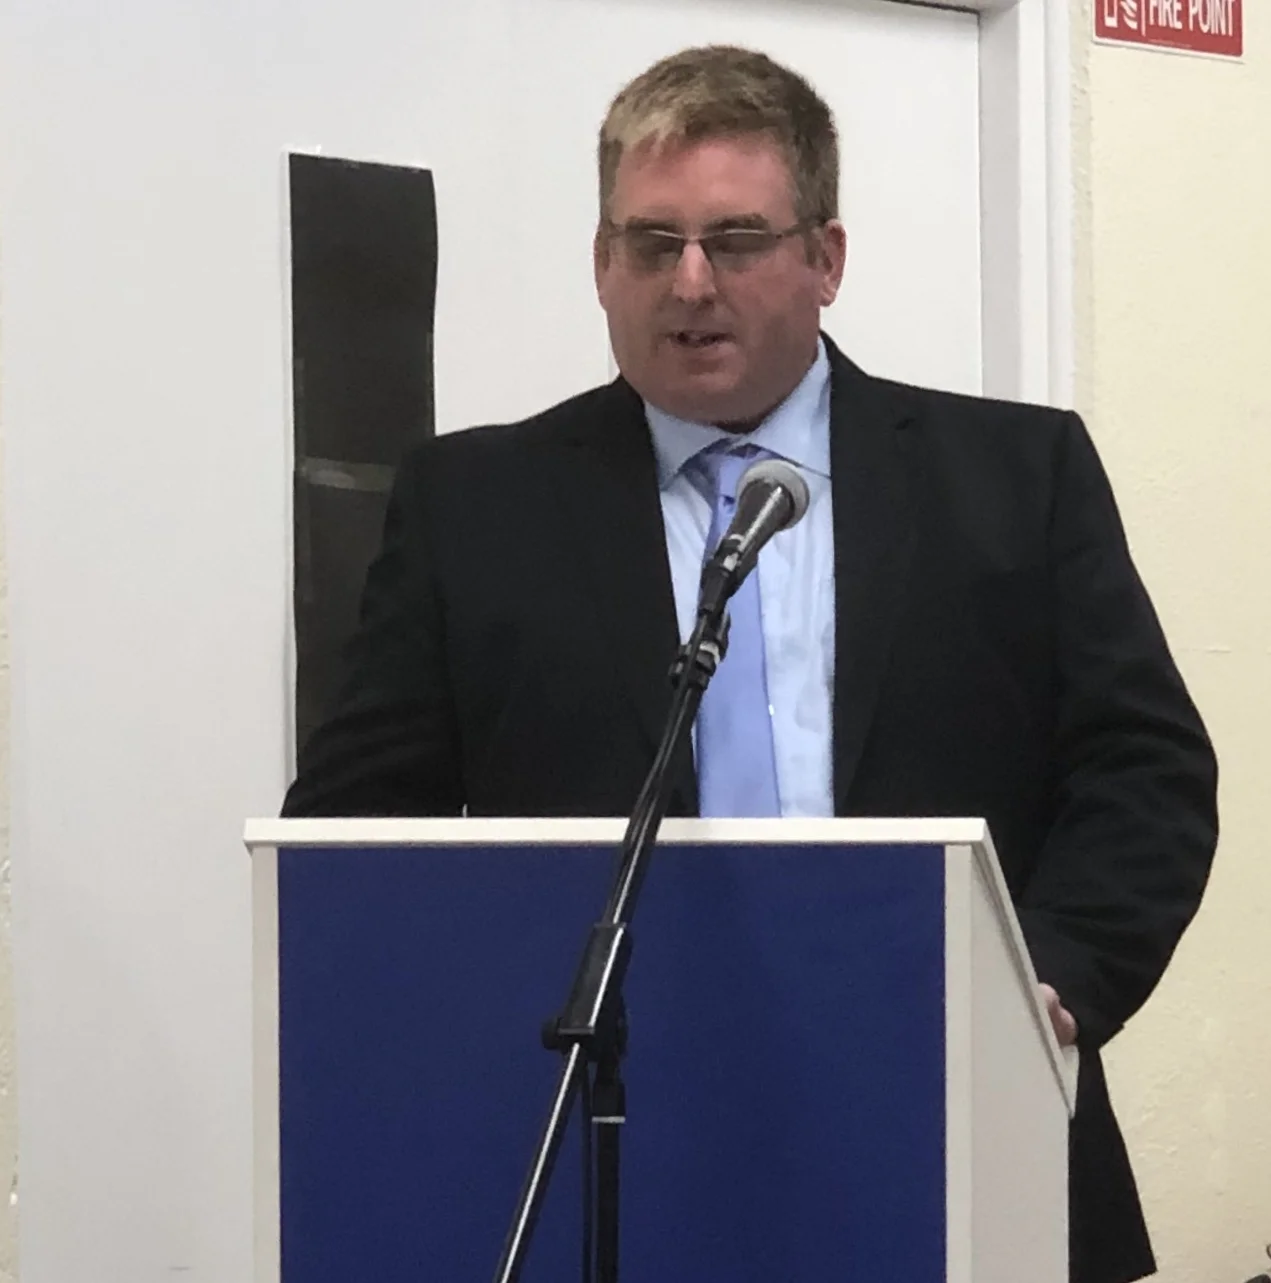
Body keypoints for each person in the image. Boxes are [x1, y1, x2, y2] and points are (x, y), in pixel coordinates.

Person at [283, 45, 1218, 1283]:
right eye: (648, 242)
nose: (689, 281)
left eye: (733, 240)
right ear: (600, 262)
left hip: (956, 1109)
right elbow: (357, 825)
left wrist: (1043, 981)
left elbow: (1143, 769)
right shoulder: (477, 504)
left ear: (824, 258)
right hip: (611, 1145)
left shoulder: (1010, 476)